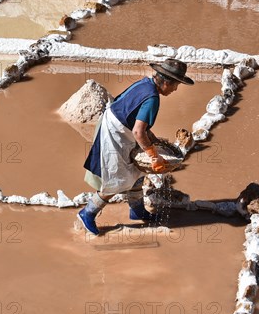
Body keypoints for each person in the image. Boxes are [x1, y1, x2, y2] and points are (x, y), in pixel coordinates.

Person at [79, 59, 194, 235]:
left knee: (137, 173)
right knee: (117, 180)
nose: (175, 89)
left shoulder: (145, 83)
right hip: (115, 132)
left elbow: (131, 112)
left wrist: (152, 138)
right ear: (166, 82)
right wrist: (154, 156)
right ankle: (87, 213)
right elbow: (139, 132)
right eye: (176, 85)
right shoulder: (153, 99)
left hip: (118, 126)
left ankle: (137, 210)